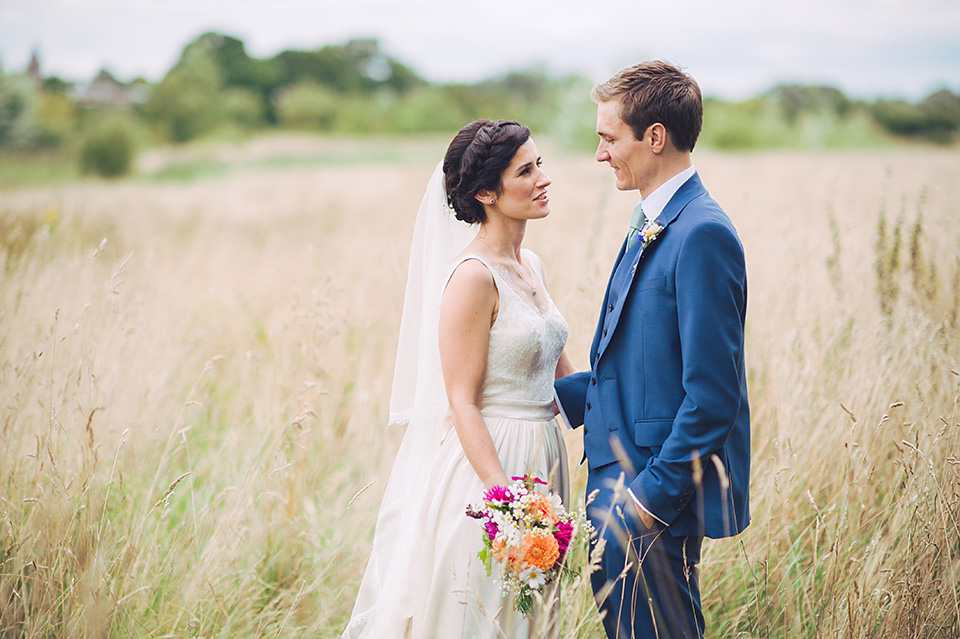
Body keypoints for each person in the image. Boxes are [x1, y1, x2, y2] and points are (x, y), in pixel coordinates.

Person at [342, 119, 575, 639]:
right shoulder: (472, 275)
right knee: (482, 617)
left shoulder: (530, 262)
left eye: (540, 164)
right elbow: (461, 402)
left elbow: (563, 374)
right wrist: (509, 506)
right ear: (486, 193)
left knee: (532, 622)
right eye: (526, 171)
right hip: (492, 468)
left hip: (545, 459)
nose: (543, 179)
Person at [555, 61, 751, 638]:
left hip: (648, 495)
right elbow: (638, 366)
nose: (600, 154)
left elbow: (713, 395)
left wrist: (649, 500)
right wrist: (530, 389)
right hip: (618, 484)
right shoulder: (654, 219)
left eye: (608, 138)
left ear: (655, 137)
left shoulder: (701, 232)